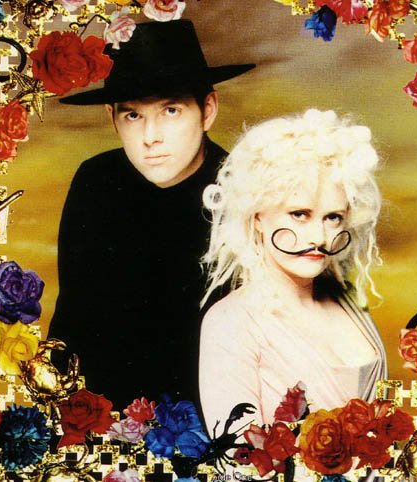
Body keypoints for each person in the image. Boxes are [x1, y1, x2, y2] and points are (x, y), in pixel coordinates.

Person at [48, 20, 255, 410]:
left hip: (218, 415)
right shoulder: (96, 181)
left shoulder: (249, 191)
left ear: (207, 111)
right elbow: (72, 320)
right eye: (133, 116)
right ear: (111, 117)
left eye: (170, 110)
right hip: (107, 416)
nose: (150, 137)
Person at [199, 109, 387, 431]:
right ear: (257, 215)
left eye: (333, 217)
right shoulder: (231, 322)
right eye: (300, 214)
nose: (319, 238)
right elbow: (235, 456)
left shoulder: (348, 302)